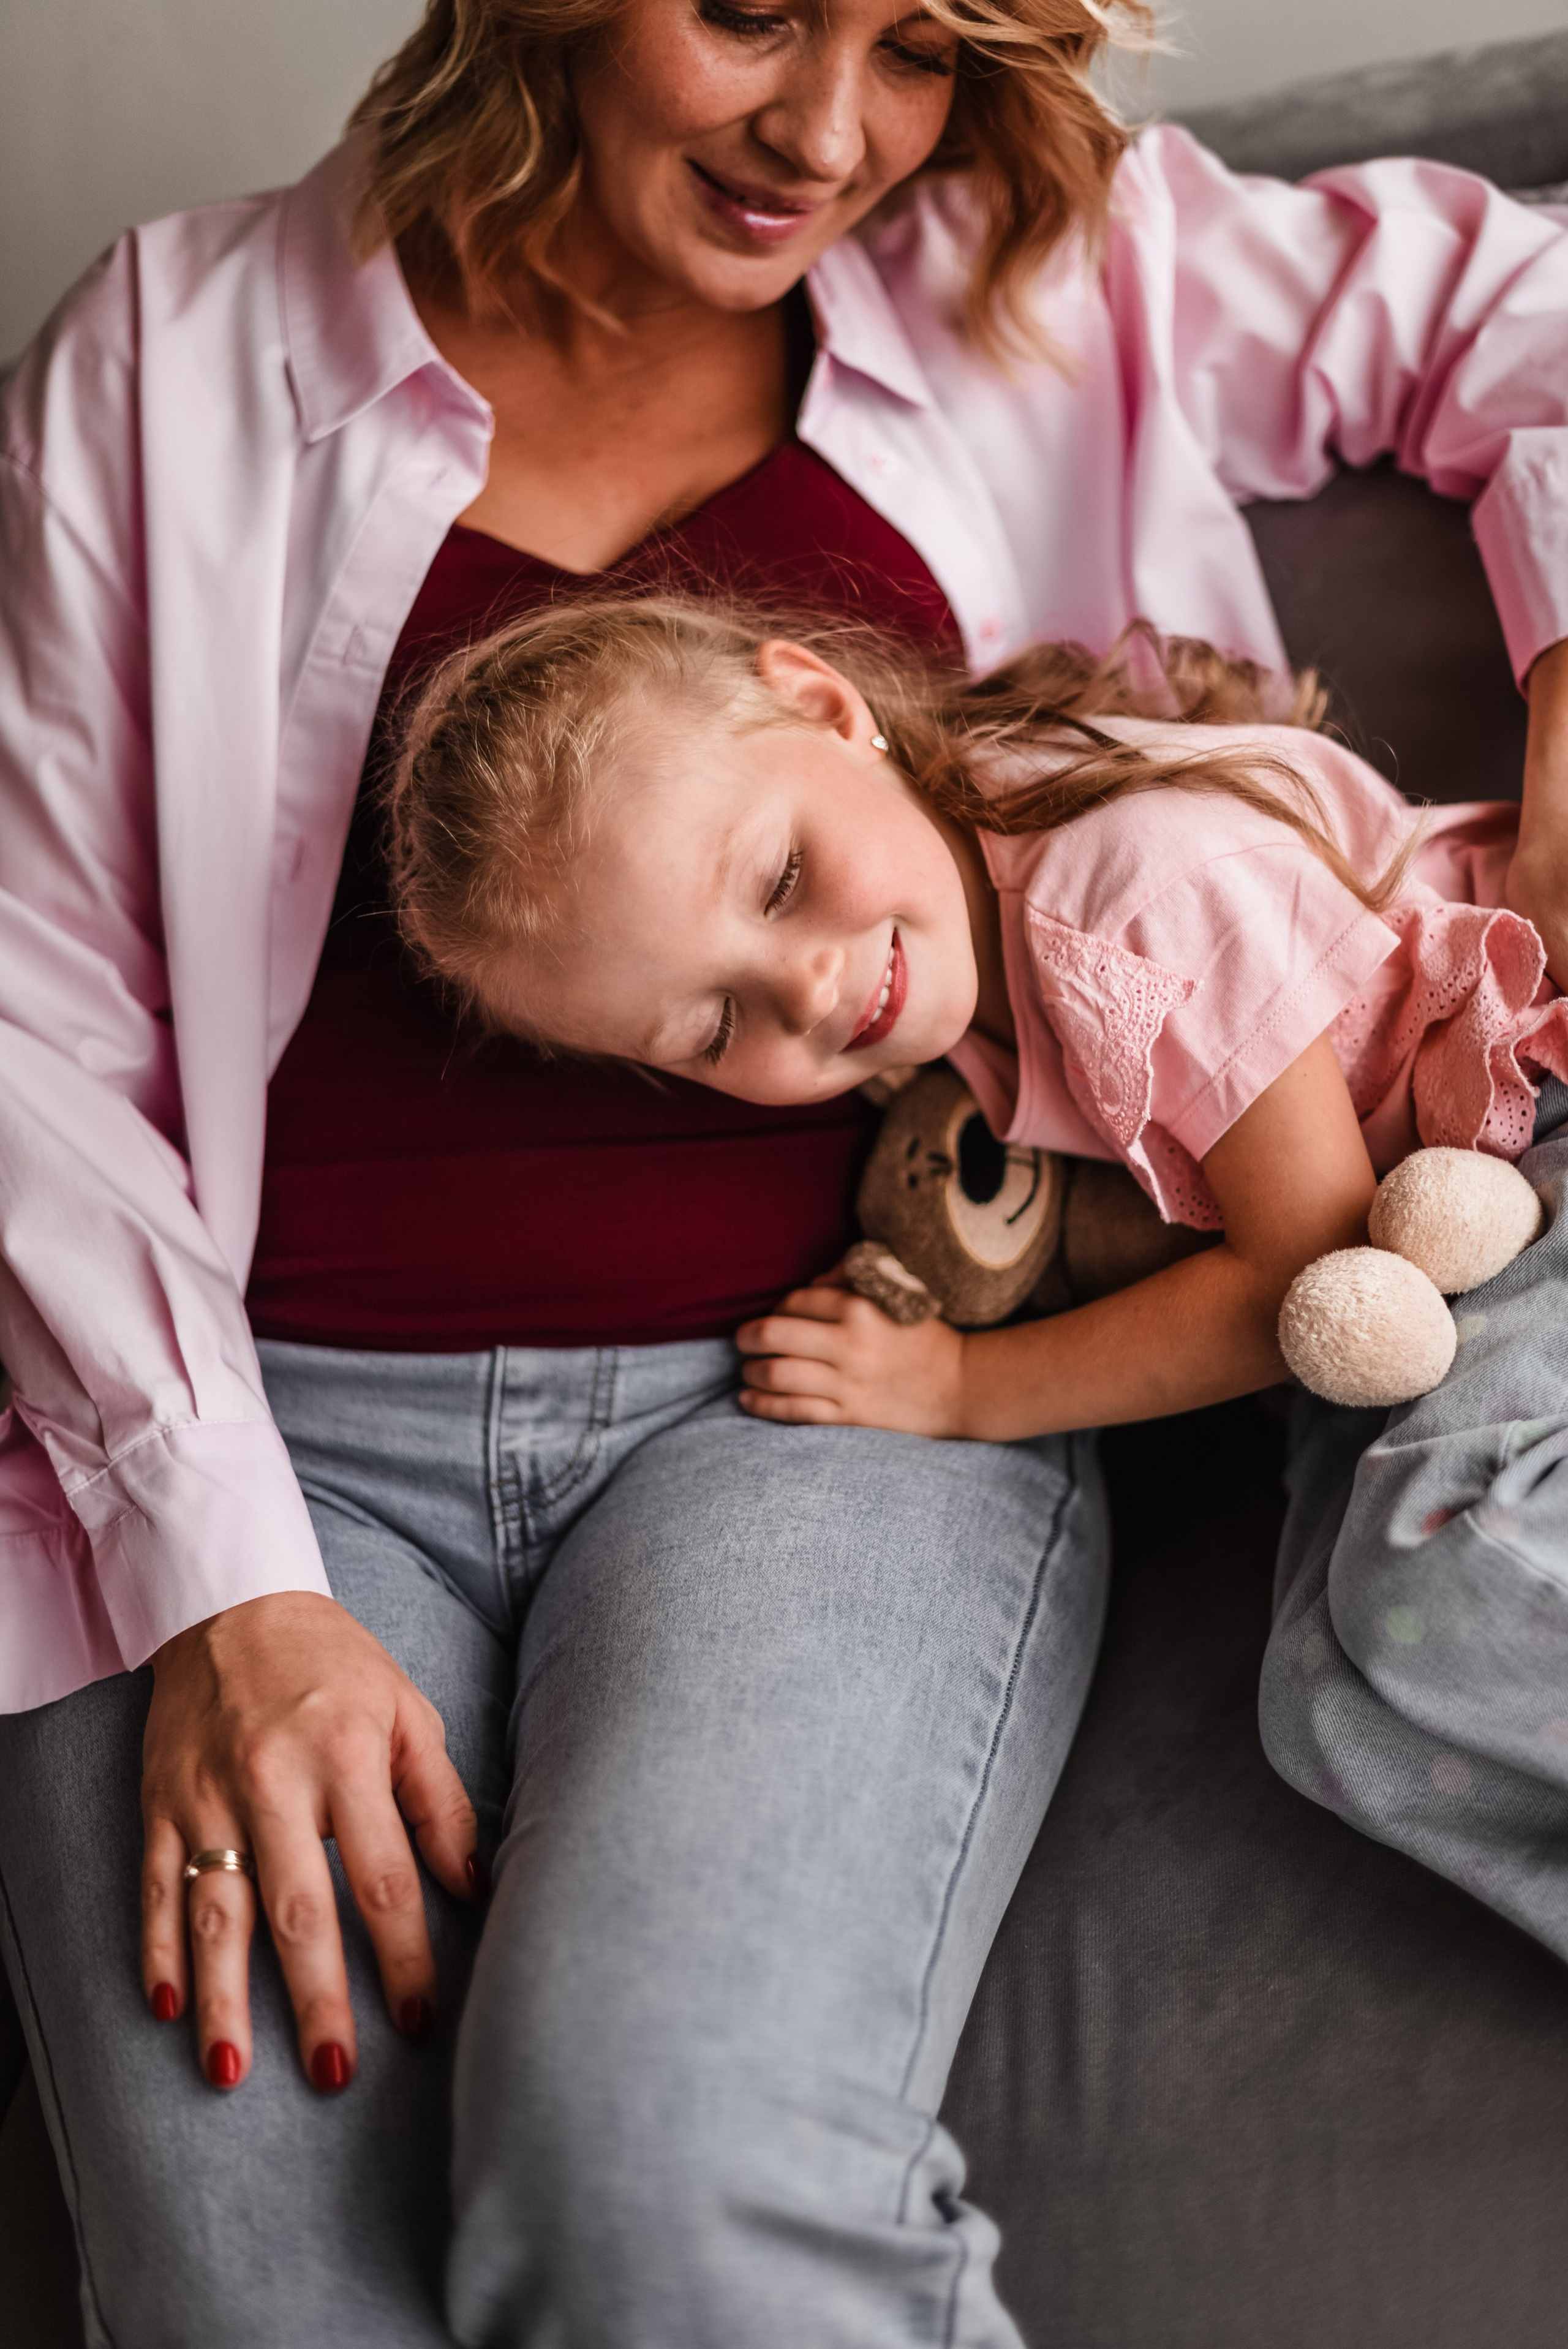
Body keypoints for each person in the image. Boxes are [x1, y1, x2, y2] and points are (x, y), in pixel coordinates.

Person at [1, 0, 1567, 2339]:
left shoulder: (1041, 255)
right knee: (255, 2294)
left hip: (829, 1401)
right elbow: (36, 1001)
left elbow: (1520, 308)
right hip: (256, 1435)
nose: (830, 131)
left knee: (664, 2179)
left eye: (923, 42)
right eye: (751, 9)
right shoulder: (177, 346)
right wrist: (224, 1576)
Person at [382, 594, 1567, 1449]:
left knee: (1424, 1599)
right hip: (1439, 1233)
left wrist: (962, 1389)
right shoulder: (954, 939)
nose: (806, 993)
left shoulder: (1123, 894)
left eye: (784, 879)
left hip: (1533, 1083)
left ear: (824, 705)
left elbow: (1312, 1268)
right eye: (710, 1028)